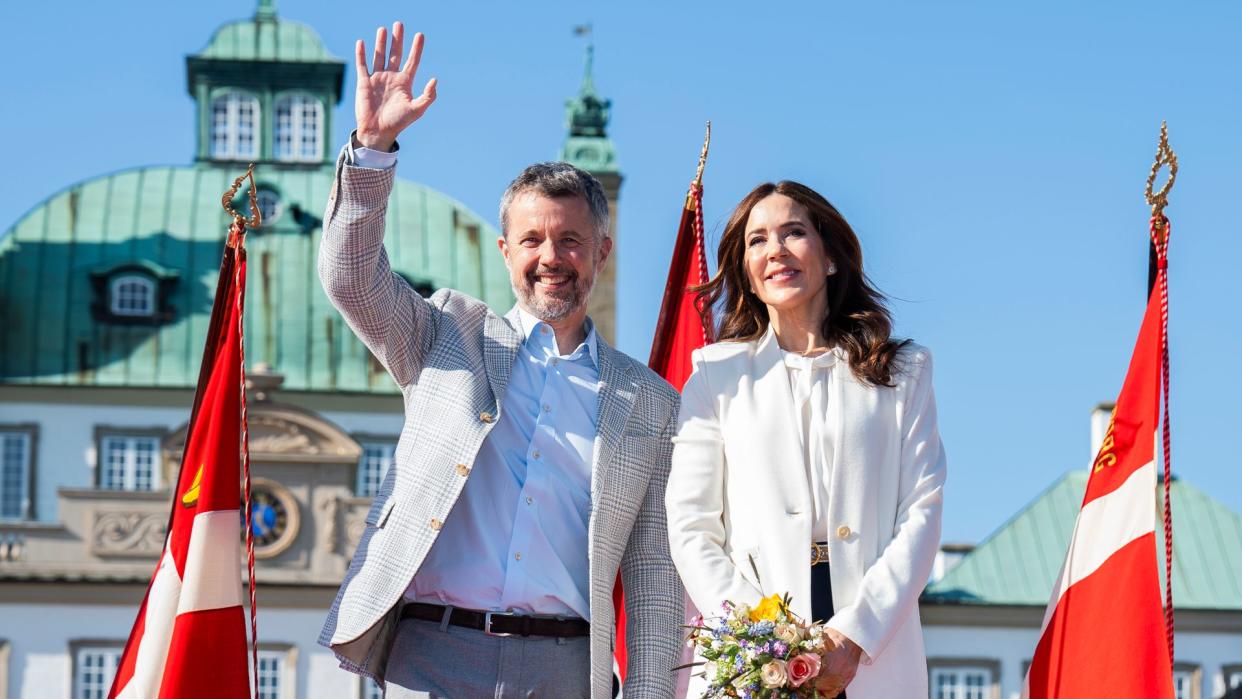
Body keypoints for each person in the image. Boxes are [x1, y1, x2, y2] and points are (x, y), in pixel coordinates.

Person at [317, 22, 683, 698]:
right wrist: (371, 152)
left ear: (602, 252)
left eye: (572, 240)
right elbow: (351, 281)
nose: (552, 258)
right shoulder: (449, 336)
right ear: (505, 251)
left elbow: (656, 577)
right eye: (533, 239)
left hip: (566, 668)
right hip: (433, 653)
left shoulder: (650, 401)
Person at [665, 181, 946, 698]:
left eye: (794, 232)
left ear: (831, 256)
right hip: (752, 659)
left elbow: (921, 516)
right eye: (757, 240)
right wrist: (764, 636)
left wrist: (854, 636)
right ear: (746, 272)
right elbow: (691, 527)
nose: (775, 250)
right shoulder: (714, 378)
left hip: (873, 656)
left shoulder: (904, 373)